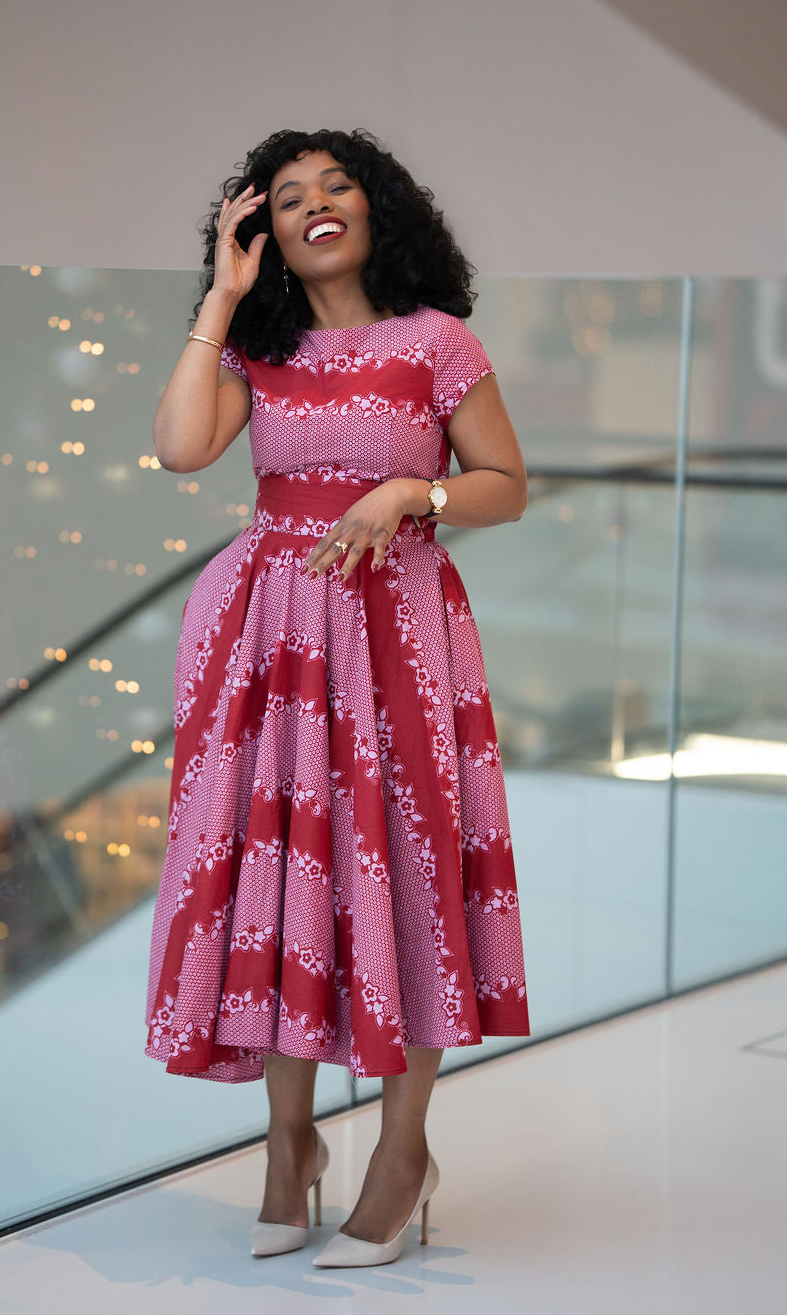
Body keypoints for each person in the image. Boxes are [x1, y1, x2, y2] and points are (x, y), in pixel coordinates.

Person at [144, 127, 530, 1267]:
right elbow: (177, 449)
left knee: (407, 869)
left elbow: (506, 485)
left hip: (397, 631)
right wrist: (221, 297)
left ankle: (401, 1153)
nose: (316, 203)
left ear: (375, 208)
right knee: (277, 872)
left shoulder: (436, 341)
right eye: (288, 195)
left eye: (336, 185)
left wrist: (414, 489)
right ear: (262, 228)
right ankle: (288, 1145)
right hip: (268, 637)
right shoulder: (252, 350)